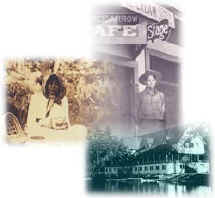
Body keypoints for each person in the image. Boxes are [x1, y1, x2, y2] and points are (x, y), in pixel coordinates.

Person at [26, 74, 87, 142]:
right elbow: (32, 122)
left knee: (81, 129)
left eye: (56, 85)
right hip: (41, 131)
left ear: (59, 87)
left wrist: (60, 123)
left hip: (59, 131)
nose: (52, 87)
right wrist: (49, 122)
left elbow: (66, 121)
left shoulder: (63, 100)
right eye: (50, 84)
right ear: (46, 86)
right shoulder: (36, 99)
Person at [136, 70, 166, 135]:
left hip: (158, 126)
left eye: (153, 80)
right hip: (145, 126)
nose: (151, 82)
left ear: (155, 81)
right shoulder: (140, 95)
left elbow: (163, 113)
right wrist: (138, 127)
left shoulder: (161, 95)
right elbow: (137, 112)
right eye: (149, 80)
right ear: (145, 82)